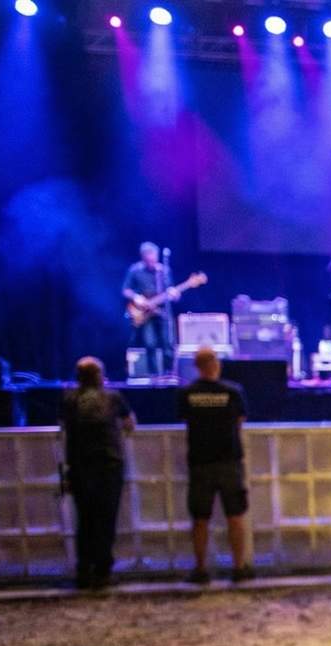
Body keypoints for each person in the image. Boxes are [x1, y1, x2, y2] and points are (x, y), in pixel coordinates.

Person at [59, 356, 137, 590]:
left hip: (80, 466)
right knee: (106, 519)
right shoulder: (113, 397)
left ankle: (83, 570)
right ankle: (103, 571)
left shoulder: (69, 399)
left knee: (85, 520)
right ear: (100, 376)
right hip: (109, 465)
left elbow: (64, 428)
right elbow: (130, 423)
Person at [178, 346, 252, 585]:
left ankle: (200, 570)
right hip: (229, 460)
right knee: (235, 515)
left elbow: (184, 418)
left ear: (196, 367)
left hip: (200, 462)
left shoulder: (187, 393)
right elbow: (240, 420)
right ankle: (239, 568)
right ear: (217, 364)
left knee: (200, 518)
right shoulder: (233, 391)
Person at [122, 242, 174, 378]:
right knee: (150, 344)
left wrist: (174, 294)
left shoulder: (163, 271)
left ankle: (169, 375)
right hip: (145, 314)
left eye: (154, 258)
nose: (152, 262)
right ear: (143, 258)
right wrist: (136, 297)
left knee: (168, 344)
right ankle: (154, 377)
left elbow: (170, 291)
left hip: (162, 313)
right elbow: (125, 290)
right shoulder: (135, 270)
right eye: (149, 260)